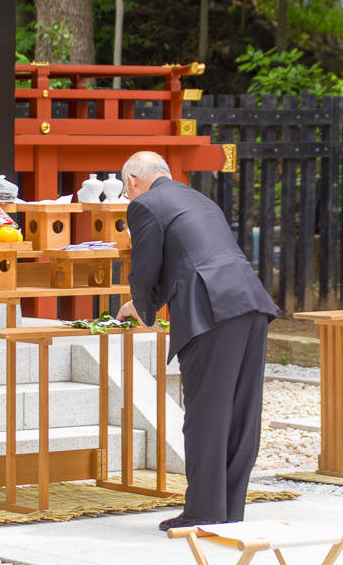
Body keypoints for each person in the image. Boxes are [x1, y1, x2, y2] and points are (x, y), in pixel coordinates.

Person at [116, 151, 279, 531]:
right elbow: (193, 257)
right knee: (241, 412)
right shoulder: (197, 198)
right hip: (250, 302)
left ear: (133, 180)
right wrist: (141, 305)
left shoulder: (143, 205)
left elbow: (145, 268)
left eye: (125, 189)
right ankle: (229, 509)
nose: (127, 195)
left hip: (211, 313)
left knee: (206, 414)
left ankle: (204, 511)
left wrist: (144, 309)